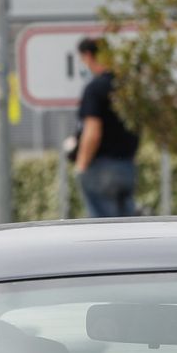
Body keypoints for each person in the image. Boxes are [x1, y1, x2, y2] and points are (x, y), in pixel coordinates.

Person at [73, 37, 140, 218]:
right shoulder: (127, 87)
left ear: (88, 56)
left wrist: (81, 165)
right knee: (127, 232)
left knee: (103, 232)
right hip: (127, 165)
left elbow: (92, 131)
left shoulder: (95, 89)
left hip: (101, 167)